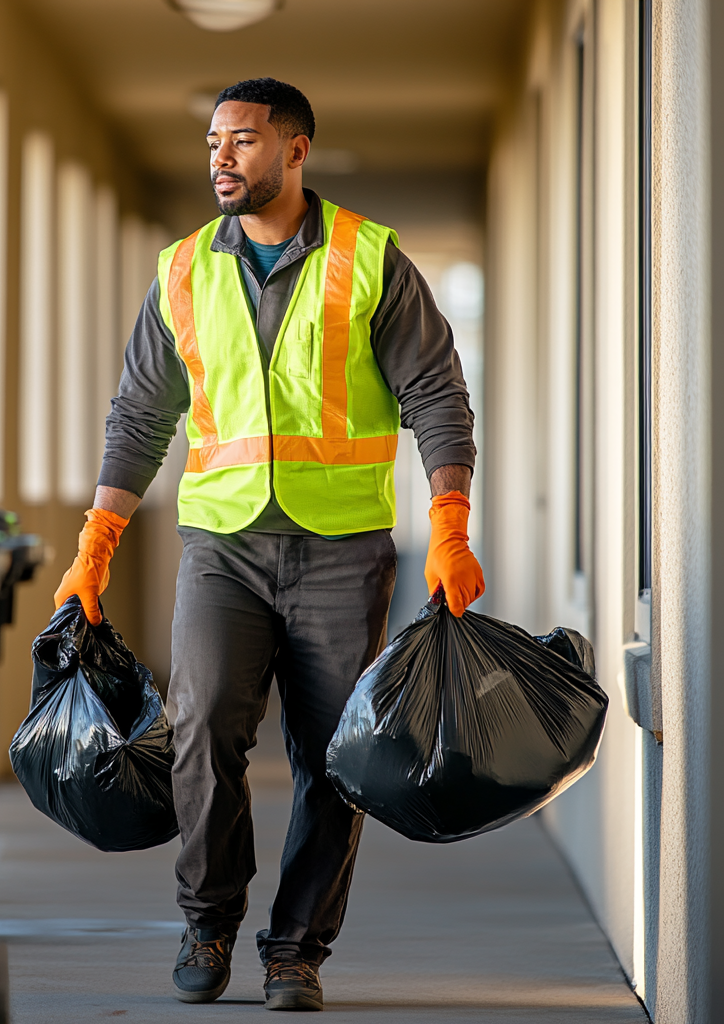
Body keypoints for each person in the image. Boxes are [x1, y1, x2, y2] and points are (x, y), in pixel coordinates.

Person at [54, 77, 484, 1012]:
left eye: (242, 141)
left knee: (336, 755)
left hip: (343, 548)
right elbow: (140, 416)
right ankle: (208, 918)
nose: (220, 157)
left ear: (295, 150)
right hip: (222, 545)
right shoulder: (180, 270)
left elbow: (437, 397)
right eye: (213, 141)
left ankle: (296, 948)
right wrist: (97, 542)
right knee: (205, 727)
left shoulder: (370, 259)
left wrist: (448, 525)